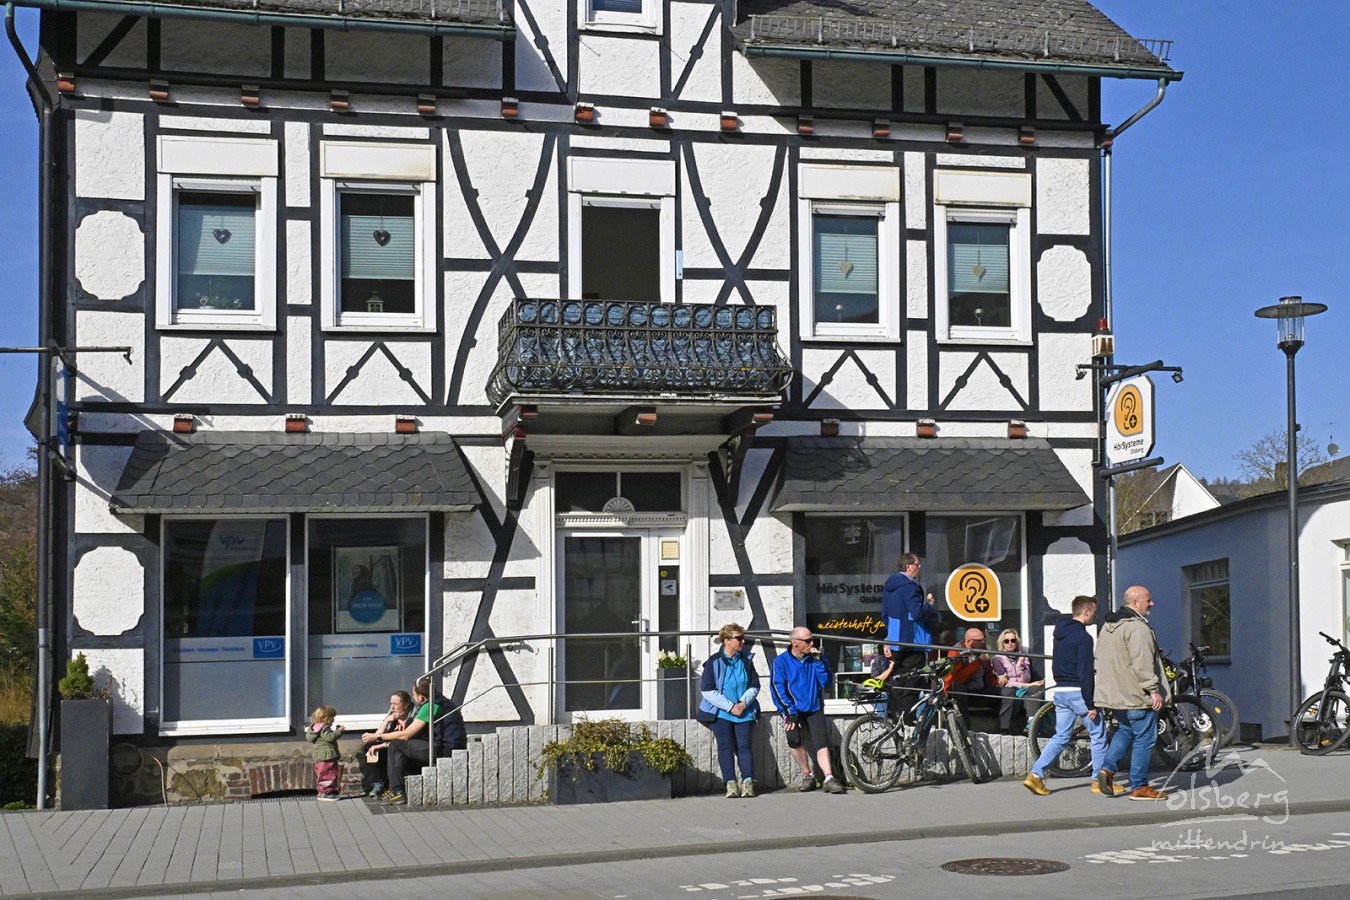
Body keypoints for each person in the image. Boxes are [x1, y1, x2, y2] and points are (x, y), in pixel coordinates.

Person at [1023, 595, 1124, 796]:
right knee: (1098, 735)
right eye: (1093, 612)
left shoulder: (1059, 634)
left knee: (1061, 736)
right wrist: (1091, 703)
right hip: (1079, 692)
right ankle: (1098, 781)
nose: (1095, 616)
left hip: (1061, 691)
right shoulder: (1083, 638)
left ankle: (1035, 775)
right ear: (1085, 611)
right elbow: (1085, 672)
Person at [1094, 585, 1172, 801]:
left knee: (1125, 730)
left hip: (1116, 694)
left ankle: (1107, 769)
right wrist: (1153, 690)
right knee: (1145, 738)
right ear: (1135, 603)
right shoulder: (1137, 628)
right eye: (1148, 600)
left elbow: (1104, 657)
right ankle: (1139, 786)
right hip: (1137, 694)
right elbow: (1142, 662)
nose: (1152, 603)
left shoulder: (1109, 626)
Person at [361, 676, 467, 804]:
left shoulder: (430, 706)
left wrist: (377, 737)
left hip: (445, 749)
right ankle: (395, 787)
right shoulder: (444, 702)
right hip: (452, 746)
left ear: (421, 697)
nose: (414, 698)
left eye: (414, 695)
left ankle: (398, 792)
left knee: (396, 746)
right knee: (400, 747)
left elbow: (406, 735)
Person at [770, 626, 845, 794]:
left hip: (813, 706)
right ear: (795, 643)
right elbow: (777, 689)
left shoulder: (816, 658)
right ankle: (807, 774)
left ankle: (828, 777)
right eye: (808, 641)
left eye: (812, 640)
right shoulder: (780, 662)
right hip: (793, 709)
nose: (812, 643)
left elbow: (826, 683)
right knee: (794, 739)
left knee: (821, 741)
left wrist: (819, 662)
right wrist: (790, 712)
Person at [697, 623, 761, 798]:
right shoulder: (713, 662)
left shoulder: (747, 661)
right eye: (739, 638)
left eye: (743, 638)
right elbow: (707, 690)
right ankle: (731, 784)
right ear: (726, 641)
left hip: (744, 711)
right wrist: (730, 706)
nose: (743, 641)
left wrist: (742, 704)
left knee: (744, 746)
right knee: (725, 746)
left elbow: (755, 685)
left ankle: (748, 783)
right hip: (721, 712)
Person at [880, 554, 935, 672]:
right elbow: (917, 613)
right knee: (914, 679)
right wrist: (929, 605)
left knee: (899, 677)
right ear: (908, 566)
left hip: (895, 643)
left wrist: (894, 632)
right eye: (917, 564)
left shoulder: (889, 585)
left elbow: (884, 615)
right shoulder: (910, 587)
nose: (920, 567)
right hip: (912, 643)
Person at [358, 690, 413, 798]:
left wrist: (380, 745)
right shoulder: (392, 718)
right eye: (391, 704)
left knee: (380, 749)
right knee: (367, 748)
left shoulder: (412, 720)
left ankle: (387, 785)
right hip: (388, 747)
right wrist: (387, 721)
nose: (392, 707)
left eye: (395, 704)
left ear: (405, 705)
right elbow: (376, 736)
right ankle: (376, 783)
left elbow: (403, 740)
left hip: (402, 749)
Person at [991, 628, 1044, 733]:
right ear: (1002, 643)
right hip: (1010, 689)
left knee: (1036, 689)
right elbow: (1005, 682)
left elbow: (1027, 678)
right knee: (1010, 691)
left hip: (1022, 689)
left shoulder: (1023, 655)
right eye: (1007, 641)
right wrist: (1026, 685)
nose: (1010, 643)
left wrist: (1021, 665)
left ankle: (1031, 723)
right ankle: (1003, 727)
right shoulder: (998, 658)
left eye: (1013, 640)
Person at [944, 627, 997, 721]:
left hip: (980, 690)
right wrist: (978, 662)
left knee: (1006, 692)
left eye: (983, 639)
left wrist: (996, 683)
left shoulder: (982, 649)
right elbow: (958, 679)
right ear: (969, 642)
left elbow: (989, 673)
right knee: (958, 688)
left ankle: (1004, 726)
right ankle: (965, 724)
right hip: (963, 692)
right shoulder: (955, 653)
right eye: (980, 641)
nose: (983, 642)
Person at [306, 705, 345, 801]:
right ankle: (326, 793)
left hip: (319, 757)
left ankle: (323, 792)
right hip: (327, 756)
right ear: (325, 718)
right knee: (329, 774)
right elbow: (329, 737)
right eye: (332, 717)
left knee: (323, 774)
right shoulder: (324, 728)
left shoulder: (316, 728)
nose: (333, 720)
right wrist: (339, 731)